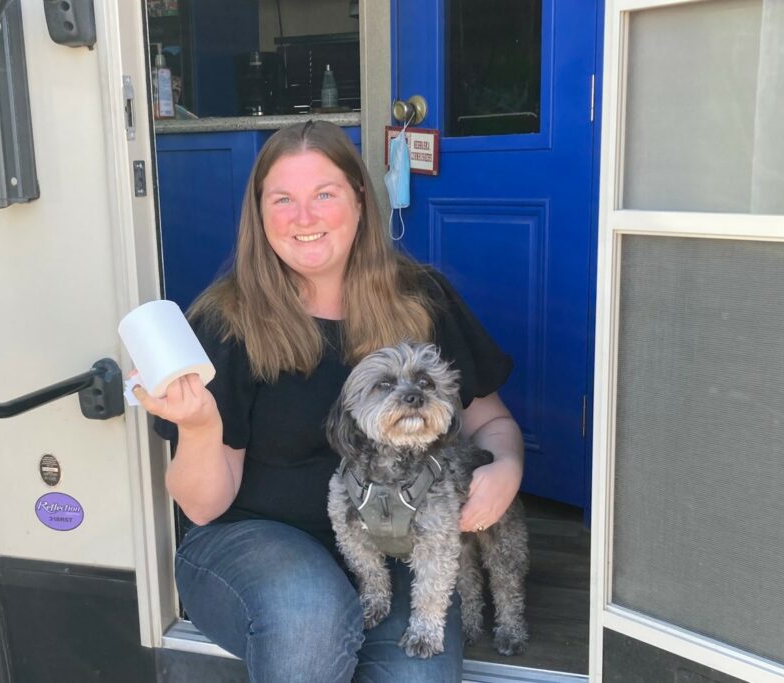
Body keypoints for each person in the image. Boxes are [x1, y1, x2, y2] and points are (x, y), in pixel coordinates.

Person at [133, 120, 524, 682]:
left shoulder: (420, 299)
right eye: (283, 199)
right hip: (253, 540)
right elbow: (203, 507)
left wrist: (506, 469)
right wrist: (197, 427)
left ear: (360, 201)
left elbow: (491, 420)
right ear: (259, 214)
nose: (304, 217)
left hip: (399, 539)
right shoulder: (227, 321)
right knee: (312, 619)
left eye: (324, 194)